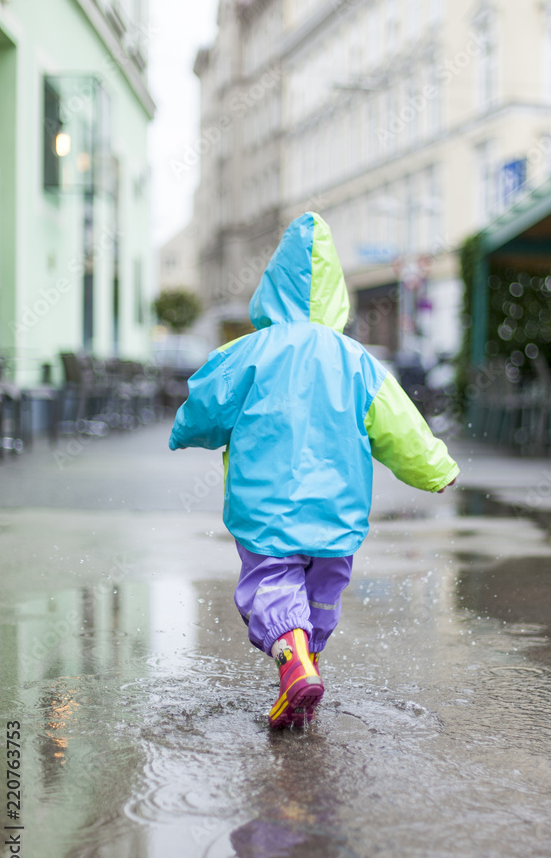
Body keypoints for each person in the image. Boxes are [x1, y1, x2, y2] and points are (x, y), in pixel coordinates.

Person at [169, 213, 459, 728]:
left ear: (272, 288)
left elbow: (206, 405)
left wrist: (184, 430)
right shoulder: (357, 360)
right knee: (321, 594)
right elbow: (400, 425)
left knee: (272, 585)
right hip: (337, 515)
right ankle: (305, 669)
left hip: (266, 510)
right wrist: (436, 468)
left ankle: (294, 664)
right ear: (335, 294)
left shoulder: (251, 353)